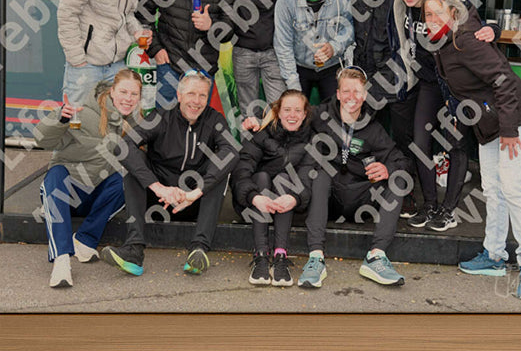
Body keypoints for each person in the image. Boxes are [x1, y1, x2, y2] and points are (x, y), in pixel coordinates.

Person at [422, 0, 521, 301]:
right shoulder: (444, 43)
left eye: (438, 13)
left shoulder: (464, 40)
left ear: (452, 13)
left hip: (513, 120)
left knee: (513, 188)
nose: (432, 19)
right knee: (493, 189)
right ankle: (494, 254)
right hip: (488, 125)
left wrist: (509, 129)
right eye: (427, 14)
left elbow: (503, 79)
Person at [392, 0, 499, 231]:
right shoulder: (402, 5)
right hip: (429, 83)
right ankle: (429, 205)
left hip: (456, 86)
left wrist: (494, 30)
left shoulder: (448, 1)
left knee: (456, 144)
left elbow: (478, 26)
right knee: (420, 143)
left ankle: (448, 210)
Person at [101, 70, 239, 276]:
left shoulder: (214, 119)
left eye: (202, 95)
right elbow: (123, 147)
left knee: (222, 164)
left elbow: (231, 151)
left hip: (194, 201)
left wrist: (195, 193)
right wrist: (159, 188)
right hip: (158, 200)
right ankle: (133, 250)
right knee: (134, 163)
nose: (197, 101)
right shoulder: (160, 117)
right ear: (179, 95)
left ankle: (199, 249)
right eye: (191, 94)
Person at [327, 0, 418, 218]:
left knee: (403, 139)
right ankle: (361, 193)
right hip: (363, 78)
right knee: (363, 137)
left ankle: (406, 194)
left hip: (397, 75)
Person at [298, 66, 413, 288]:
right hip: (331, 199)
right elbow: (288, 122)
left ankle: (376, 256)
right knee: (320, 173)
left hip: (362, 199)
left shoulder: (373, 127)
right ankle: (315, 258)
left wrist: (387, 168)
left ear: (365, 95)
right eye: (346, 91)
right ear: (338, 94)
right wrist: (257, 123)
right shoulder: (321, 115)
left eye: (357, 92)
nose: (352, 97)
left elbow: (403, 161)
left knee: (398, 178)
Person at [34, 69, 142, 288]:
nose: (128, 98)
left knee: (127, 181)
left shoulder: (133, 123)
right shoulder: (84, 112)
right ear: (112, 91)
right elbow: (41, 139)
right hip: (66, 193)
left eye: (134, 94)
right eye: (123, 92)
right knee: (55, 175)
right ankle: (61, 259)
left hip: (93, 196)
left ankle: (85, 239)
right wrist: (60, 118)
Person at [233, 90, 314, 287]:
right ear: (278, 112)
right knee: (261, 176)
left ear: (305, 114)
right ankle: (261, 255)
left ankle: (280, 256)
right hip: (253, 202)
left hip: (289, 205)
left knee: (285, 178)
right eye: (287, 109)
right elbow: (241, 170)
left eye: (297, 110)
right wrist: (254, 197)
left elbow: (306, 178)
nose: (292, 115)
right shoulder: (262, 134)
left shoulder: (312, 140)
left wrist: (295, 198)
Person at [274, 0, 354, 102]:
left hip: (331, 66)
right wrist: (294, 89)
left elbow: (349, 28)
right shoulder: (286, 1)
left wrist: (334, 47)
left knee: (335, 111)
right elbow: (283, 48)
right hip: (299, 68)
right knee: (296, 109)